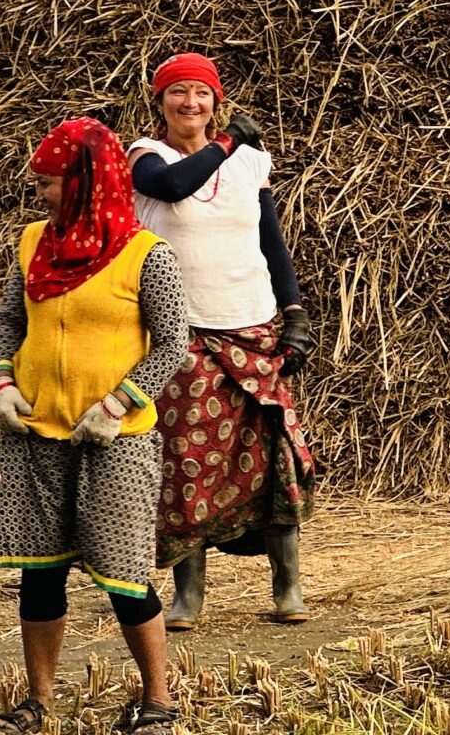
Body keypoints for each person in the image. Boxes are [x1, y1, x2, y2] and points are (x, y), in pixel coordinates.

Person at [0, 118, 191, 735]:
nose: (40, 194)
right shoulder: (31, 244)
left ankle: (158, 702)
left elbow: (172, 343)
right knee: (39, 574)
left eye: (49, 183)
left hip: (115, 443)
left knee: (125, 577)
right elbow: (9, 322)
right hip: (35, 437)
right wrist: (2, 381)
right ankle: (39, 702)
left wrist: (118, 404)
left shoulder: (146, 255)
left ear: (85, 185)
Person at [125, 53, 317, 629]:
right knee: (187, 459)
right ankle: (190, 595)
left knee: (274, 452)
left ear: (216, 101)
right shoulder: (145, 157)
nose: (191, 103)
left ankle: (288, 587)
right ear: (159, 101)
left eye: (202, 93)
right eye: (178, 92)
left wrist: (294, 313)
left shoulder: (251, 163)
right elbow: (172, 187)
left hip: (252, 325)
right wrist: (228, 140)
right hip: (179, 332)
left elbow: (271, 242)